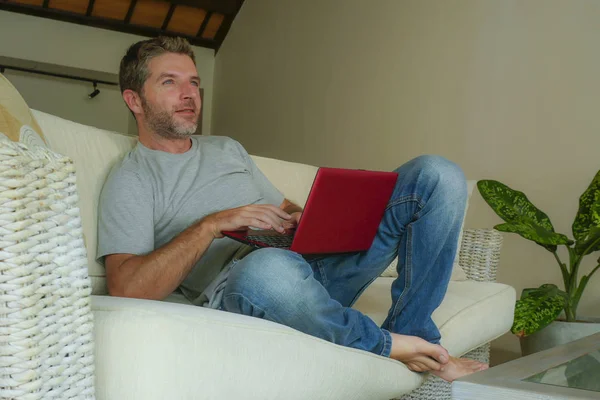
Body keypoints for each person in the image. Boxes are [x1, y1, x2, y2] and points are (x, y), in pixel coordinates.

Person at [97, 36, 488, 382]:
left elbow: (284, 206)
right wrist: (213, 224)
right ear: (134, 100)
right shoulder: (131, 177)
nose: (189, 94)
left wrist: (307, 217)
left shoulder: (226, 148)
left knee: (437, 174)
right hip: (253, 287)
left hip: (310, 264)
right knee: (268, 266)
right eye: (170, 82)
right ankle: (388, 344)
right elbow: (127, 287)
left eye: (194, 82)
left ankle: (416, 331)